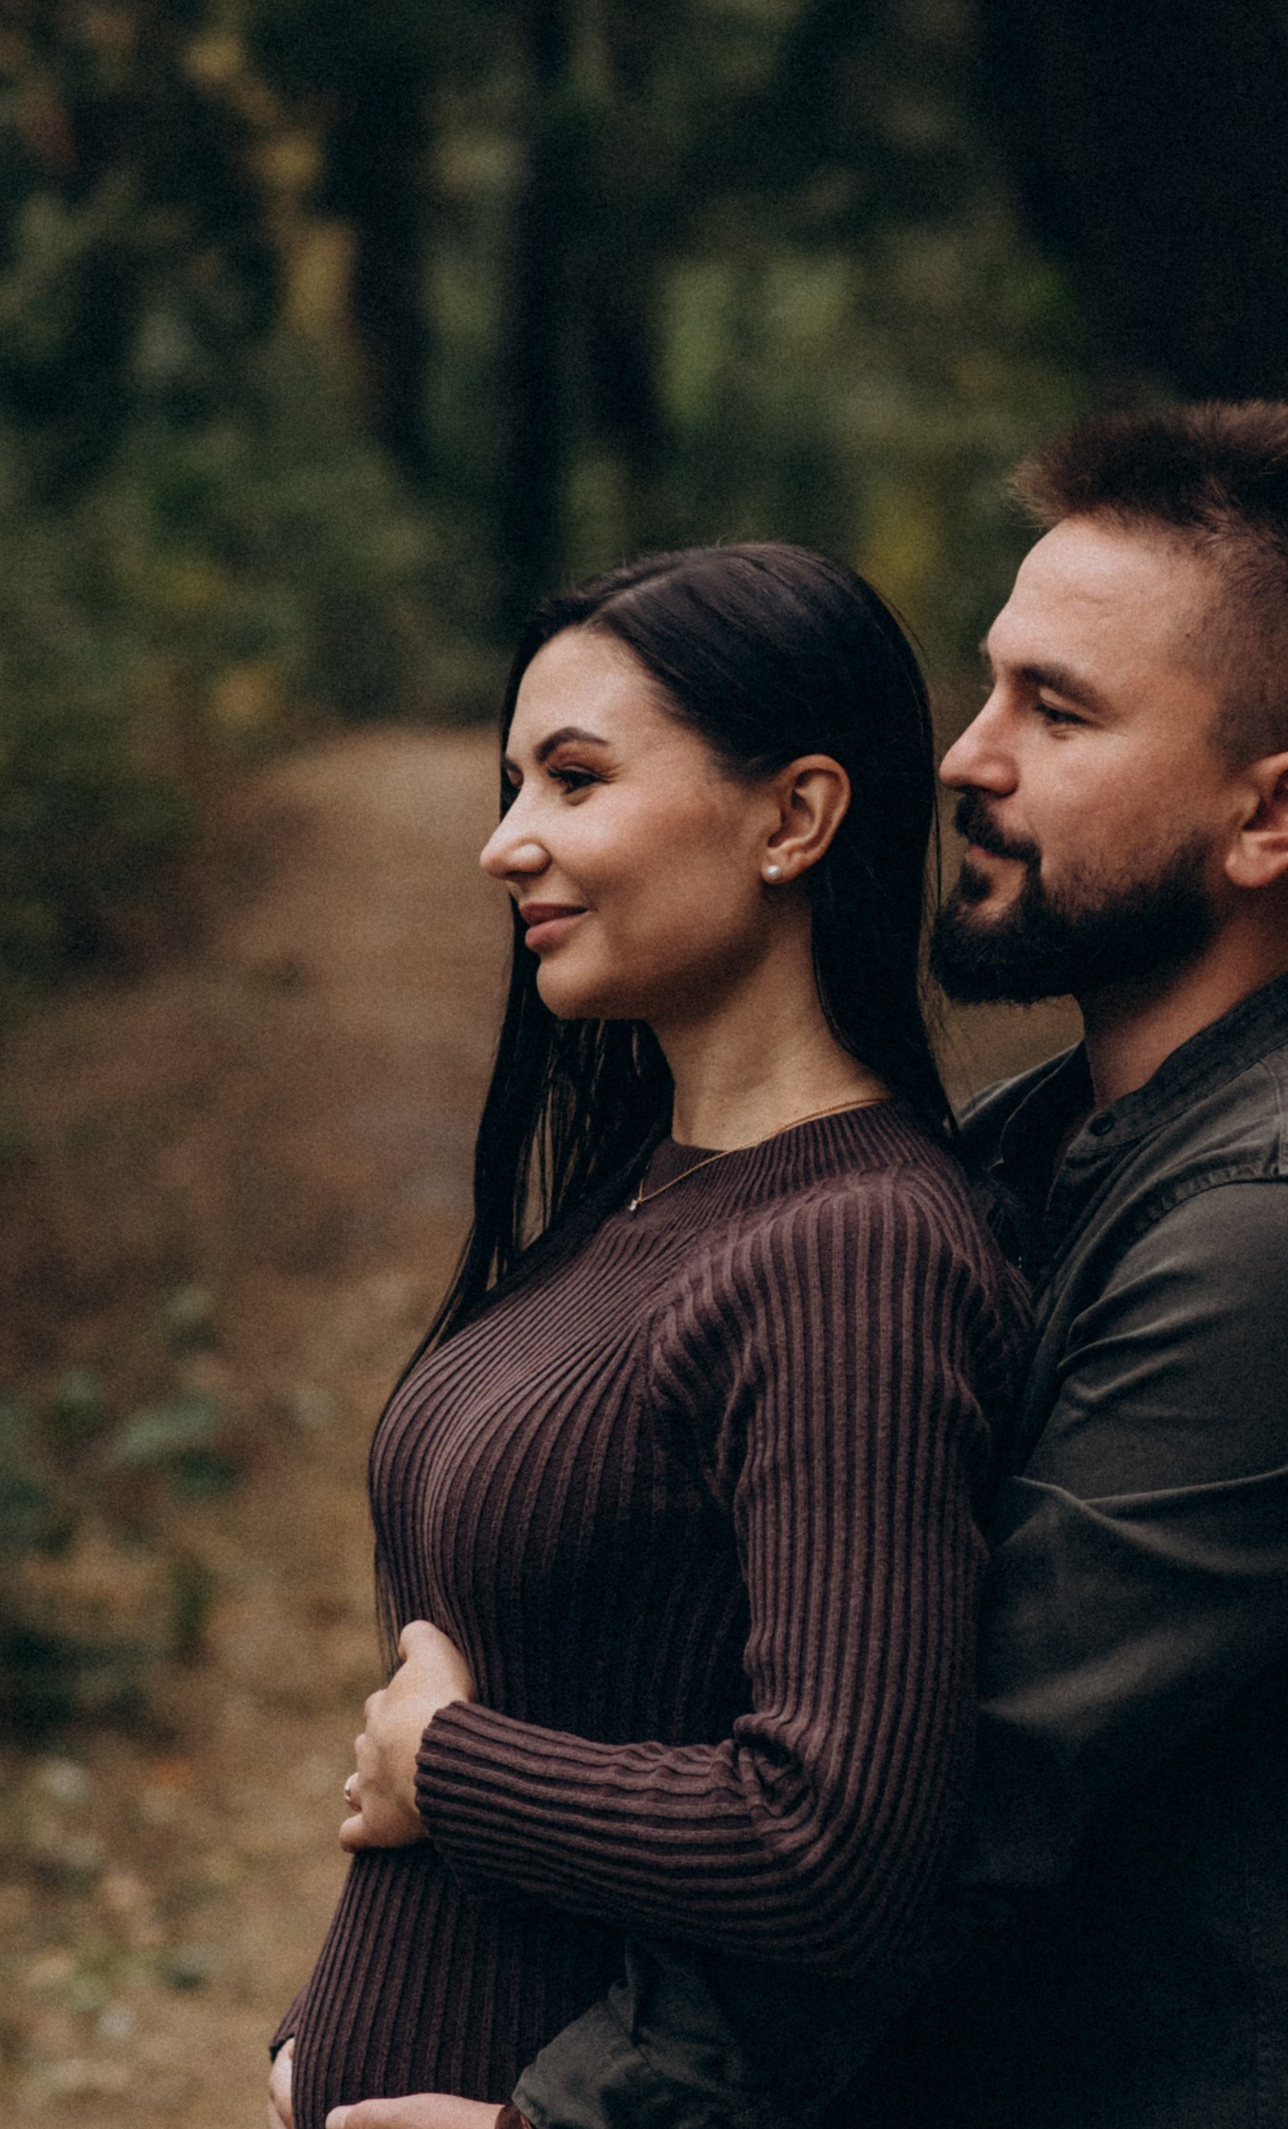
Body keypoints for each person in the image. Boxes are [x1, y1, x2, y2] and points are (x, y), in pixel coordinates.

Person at [315, 400, 1288, 2129]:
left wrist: (565, 2110)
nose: (965, 757)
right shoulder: (1030, 1148)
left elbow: (945, 1790)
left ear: (1274, 816)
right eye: (992, 685)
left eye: (1059, 711)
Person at [265, 544, 1033, 2129]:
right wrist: (317, 2033)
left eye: (573, 780)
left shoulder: (857, 1251)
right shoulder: (643, 1198)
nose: (504, 847)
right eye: (508, 784)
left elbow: (833, 1840)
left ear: (795, 819)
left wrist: (454, 1768)